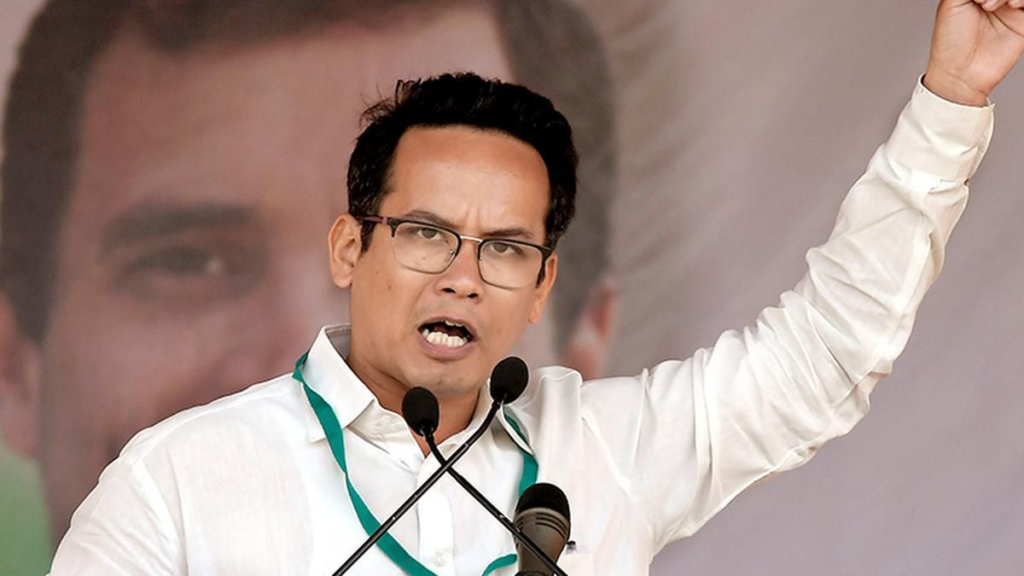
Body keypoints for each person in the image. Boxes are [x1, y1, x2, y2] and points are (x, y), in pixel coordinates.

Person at [46, 0, 1024, 573]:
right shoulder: (177, 482)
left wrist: (951, 101)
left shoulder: (603, 450)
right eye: (427, 233)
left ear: (544, 285)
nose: (463, 278)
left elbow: (825, 356)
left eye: (506, 249)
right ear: (349, 248)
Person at [0, 0, 619, 559]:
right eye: (190, 262)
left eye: (491, 248)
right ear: (12, 361)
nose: (298, 360)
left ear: (581, 351)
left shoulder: (625, 468)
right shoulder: (165, 475)